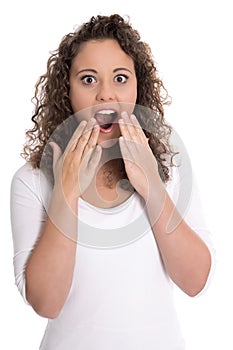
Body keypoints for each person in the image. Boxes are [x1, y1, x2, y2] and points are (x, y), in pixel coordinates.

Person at [10, 14, 215, 350]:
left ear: (137, 87)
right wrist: (65, 193)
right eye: (88, 79)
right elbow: (46, 303)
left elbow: (196, 281)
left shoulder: (167, 166)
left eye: (120, 78)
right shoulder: (31, 181)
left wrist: (151, 185)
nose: (106, 94)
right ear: (68, 91)